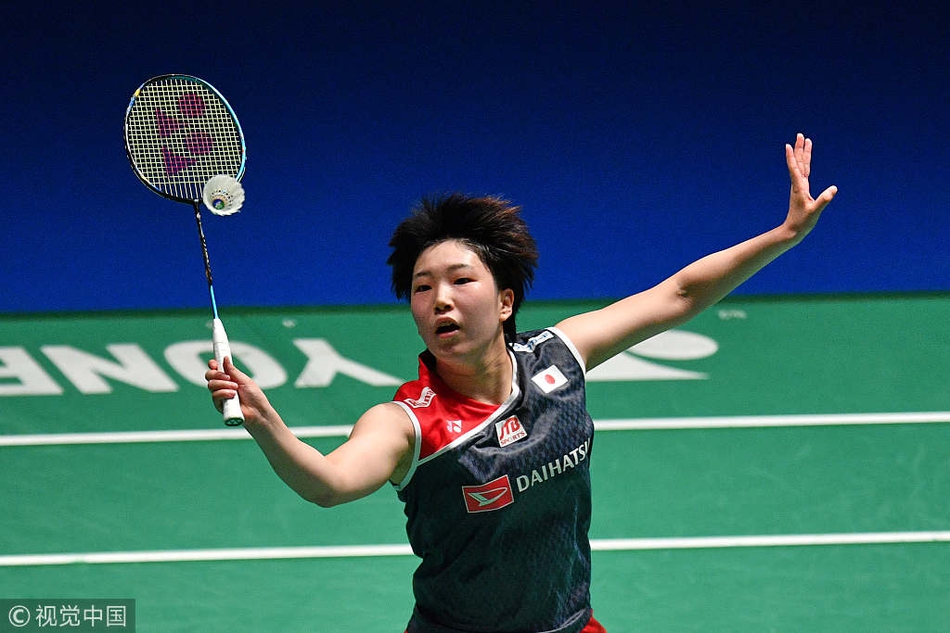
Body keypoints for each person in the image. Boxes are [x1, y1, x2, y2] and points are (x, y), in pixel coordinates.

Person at [206, 133, 837, 632]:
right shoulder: (407, 424)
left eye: (460, 281)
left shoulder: (559, 357)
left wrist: (785, 236)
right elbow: (328, 483)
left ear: (506, 301)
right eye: (422, 288)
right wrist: (266, 422)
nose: (440, 300)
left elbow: (678, 295)